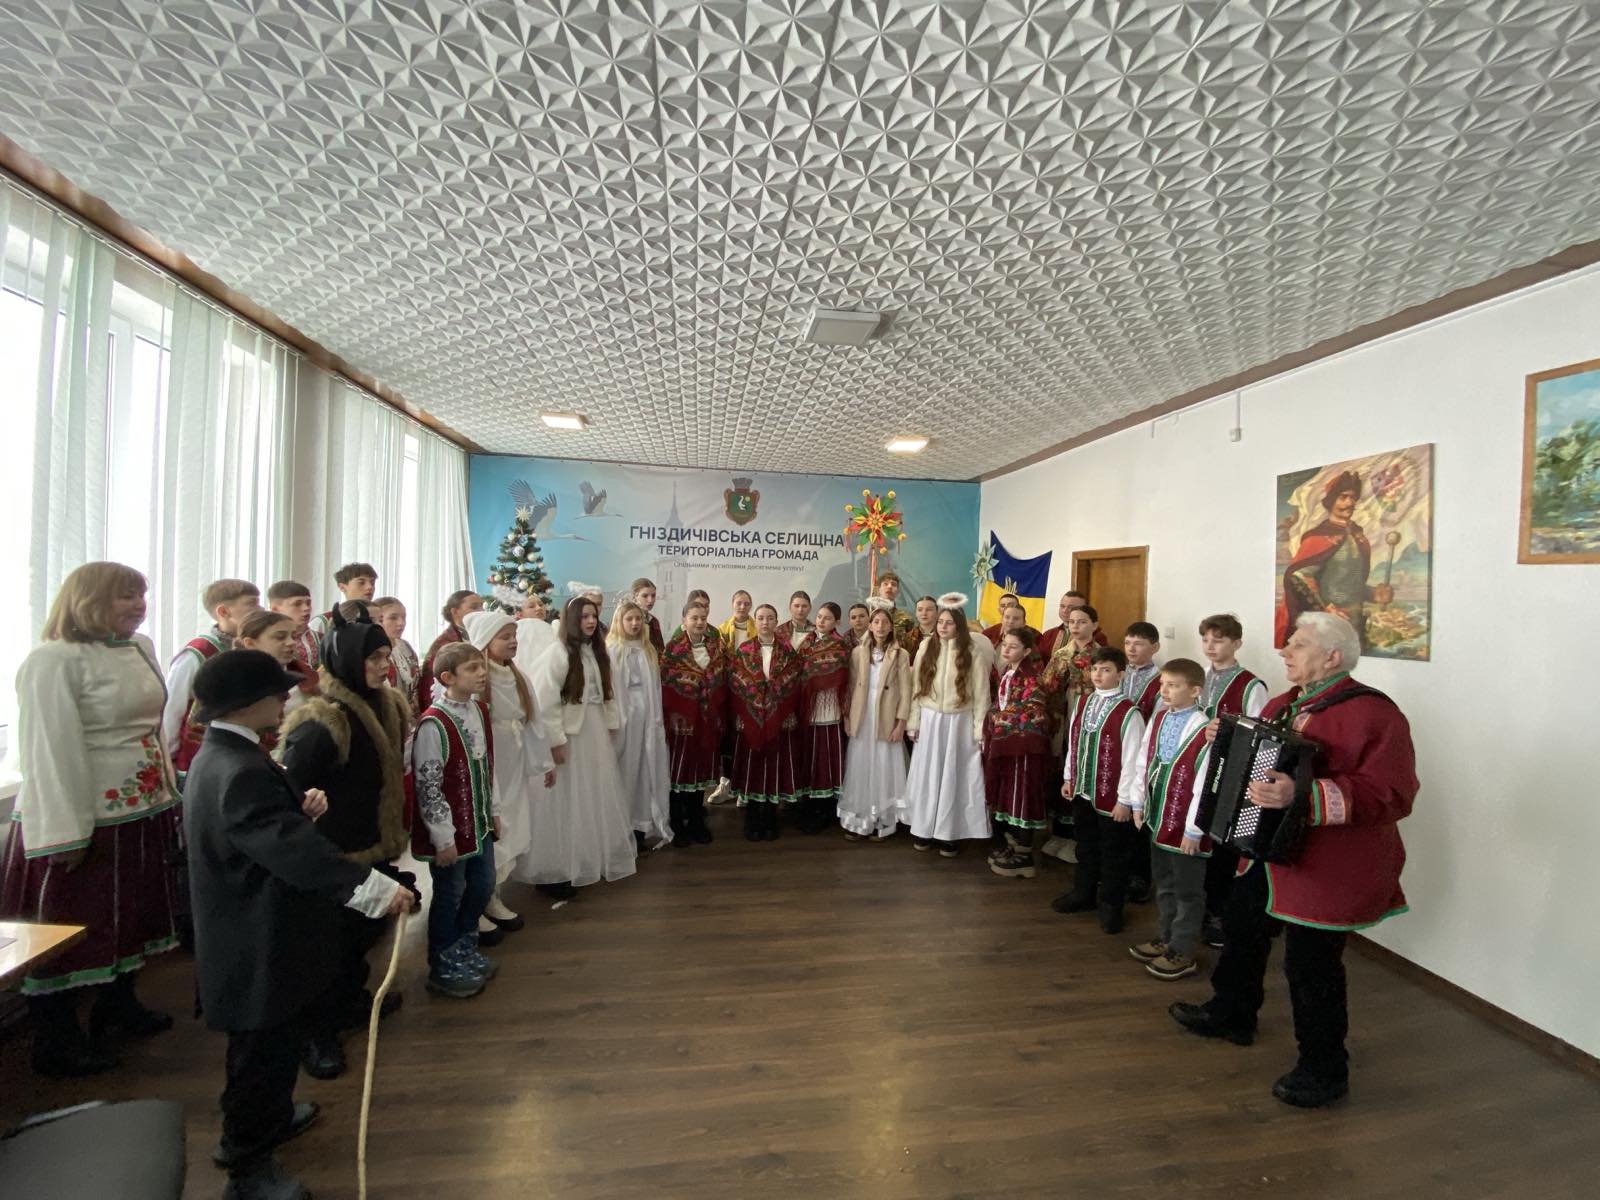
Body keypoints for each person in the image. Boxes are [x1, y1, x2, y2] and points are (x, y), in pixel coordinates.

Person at [182, 648, 407, 1200]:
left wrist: (294, 809)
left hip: (256, 928)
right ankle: (247, 1162)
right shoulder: (239, 769)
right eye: (276, 691)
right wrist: (376, 889)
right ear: (247, 703)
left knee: (276, 1045)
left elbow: (258, 830)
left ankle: (272, 1118)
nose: (286, 697)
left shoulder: (229, 755)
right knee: (260, 1053)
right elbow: (293, 853)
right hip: (255, 936)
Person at [1171, 613, 1417, 1109]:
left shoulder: (1374, 714)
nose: (1285, 652)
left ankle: (1324, 1069)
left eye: (1298, 645)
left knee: (1311, 965)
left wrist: (1303, 794)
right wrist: (1224, 737)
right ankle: (1232, 1013)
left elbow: (1393, 794)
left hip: (1326, 865)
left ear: (1332, 656)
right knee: (1241, 924)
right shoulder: (1284, 704)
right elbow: (1255, 761)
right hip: (1269, 854)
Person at [0, 563, 179, 1078]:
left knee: (128, 918)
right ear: (87, 600)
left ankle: (118, 1006)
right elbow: (49, 750)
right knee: (69, 927)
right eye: (125, 595)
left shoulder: (140, 647)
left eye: (141, 594)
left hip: (137, 811)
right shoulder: (53, 660)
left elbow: (150, 729)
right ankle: (56, 1039)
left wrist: (168, 791)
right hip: (84, 817)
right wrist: (66, 832)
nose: (139, 604)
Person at [278, 604, 411, 1080]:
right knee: (326, 947)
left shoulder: (387, 704)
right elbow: (290, 785)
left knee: (359, 936)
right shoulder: (324, 720)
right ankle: (316, 1032)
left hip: (374, 840)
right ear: (347, 660)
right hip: (337, 850)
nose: (383, 666)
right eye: (373, 658)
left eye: (385, 656)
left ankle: (351, 1000)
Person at [522, 596, 638, 891]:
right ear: (572, 620)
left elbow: (607, 692)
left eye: (593, 616)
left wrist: (610, 723)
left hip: (593, 731)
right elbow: (545, 700)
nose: (590, 621)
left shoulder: (597, 652)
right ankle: (556, 867)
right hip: (570, 735)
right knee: (564, 799)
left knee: (591, 795)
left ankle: (586, 858)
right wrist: (555, 741)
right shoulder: (558, 653)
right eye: (584, 616)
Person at [411, 641, 502, 998]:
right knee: (450, 892)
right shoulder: (434, 724)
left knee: (483, 883)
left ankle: (465, 945)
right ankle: (443, 961)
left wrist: (494, 811)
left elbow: (488, 765)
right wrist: (442, 837)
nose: (481, 673)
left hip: (478, 824)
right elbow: (429, 785)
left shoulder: (479, 710)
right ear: (448, 677)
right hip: (452, 831)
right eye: (472, 668)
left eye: (482, 666)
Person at [464, 610, 554, 939]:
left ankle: (493, 895)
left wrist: (544, 763)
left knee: (511, 824)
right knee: (489, 826)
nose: (514, 642)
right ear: (485, 642)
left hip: (512, 762)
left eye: (514, 636)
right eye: (505, 637)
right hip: (487, 762)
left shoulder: (517, 676)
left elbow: (533, 720)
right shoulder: (476, 680)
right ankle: (475, 902)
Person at [1125, 658, 1212, 981]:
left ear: (1195, 691)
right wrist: (1137, 803)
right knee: (1164, 883)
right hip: (1159, 818)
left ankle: (1183, 949)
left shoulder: (1204, 729)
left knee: (1188, 891)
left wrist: (1194, 830)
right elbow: (1144, 760)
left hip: (1185, 826)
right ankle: (1166, 936)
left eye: (1173, 686)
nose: (1165, 691)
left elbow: (1204, 782)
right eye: (1163, 684)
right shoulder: (1160, 718)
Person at [1052, 646, 1146, 933]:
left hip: (1112, 798)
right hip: (1083, 789)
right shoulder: (1083, 702)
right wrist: (1069, 777)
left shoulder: (1129, 713)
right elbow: (1074, 742)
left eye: (1106, 670)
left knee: (1114, 854)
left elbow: (1133, 760)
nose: (1098, 675)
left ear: (1120, 674)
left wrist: (1125, 800)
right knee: (1086, 846)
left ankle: (1111, 906)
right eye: (1095, 669)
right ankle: (1083, 893)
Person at [1197, 612, 1268, 946]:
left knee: (1223, 847)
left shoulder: (1251, 685)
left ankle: (1220, 914)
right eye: (1206, 640)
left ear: (1236, 643)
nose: (1211, 646)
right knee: (1199, 841)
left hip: (1229, 777)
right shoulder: (1199, 678)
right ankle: (1199, 907)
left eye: (1219, 640)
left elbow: (1259, 734)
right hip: (1198, 771)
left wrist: (1225, 733)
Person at [903, 593, 991, 857]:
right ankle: (923, 827)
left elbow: (982, 694)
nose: (943, 626)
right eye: (940, 622)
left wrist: (979, 731)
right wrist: (914, 721)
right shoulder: (926, 647)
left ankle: (949, 832)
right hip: (930, 720)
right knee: (927, 775)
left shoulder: (972, 652)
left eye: (949, 623)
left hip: (959, 722)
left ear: (959, 626)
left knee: (954, 776)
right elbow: (916, 688)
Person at [1276, 471, 1389, 649]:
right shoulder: (1317, 538)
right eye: (1343, 497)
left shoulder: (1358, 537)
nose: (1350, 503)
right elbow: (1299, 576)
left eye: (1353, 498)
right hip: (1327, 625)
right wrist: (1325, 608)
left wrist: (1373, 594)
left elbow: (1348, 583)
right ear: (1331, 501)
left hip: (1355, 622)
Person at [164, 578, 262, 781]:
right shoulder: (198, 653)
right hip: (202, 755)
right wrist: (169, 758)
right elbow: (173, 708)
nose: (260, 609)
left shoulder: (254, 647)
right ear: (224, 612)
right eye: (251, 603)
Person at [728, 602, 803, 841]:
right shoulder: (744, 649)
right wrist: (744, 713)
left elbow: (794, 682)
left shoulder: (788, 650)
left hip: (779, 717)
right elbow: (736, 682)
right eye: (761, 618)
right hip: (751, 718)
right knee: (753, 768)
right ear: (756, 621)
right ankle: (752, 820)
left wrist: (784, 709)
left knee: (774, 767)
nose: (765, 622)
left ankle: (770, 819)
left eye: (770, 618)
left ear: (776, 621)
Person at [838, 598, 911, 841]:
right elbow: (850, 688)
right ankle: (860, 820)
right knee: (861, 766)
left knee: (883, 765)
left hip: (886, 716)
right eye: (876, 621)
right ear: (870, 625)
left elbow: (906, 691)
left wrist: (901, 723)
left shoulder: (900, 654)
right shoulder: (858, 652)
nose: (880, 626)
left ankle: (883, 820)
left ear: (891, 627)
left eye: (884, 622)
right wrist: (847, 717)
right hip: (862, 715)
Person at [983, 628, 1052, 878]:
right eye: (1005, 645)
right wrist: (994, 715)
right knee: (1009, 793)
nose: (1006, 649)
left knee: (1022, 796)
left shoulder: (1031, 677)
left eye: (1013, 646)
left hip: (1024, 748)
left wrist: (999, 719)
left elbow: (1034, 712)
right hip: (1008, 745)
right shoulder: (1009, 672)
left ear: (1027, 650)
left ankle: (1024, 852)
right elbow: (1001, 704)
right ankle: (1013, 845)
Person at [660, 598, 726, 845]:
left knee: (700, 772)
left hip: (707, 720)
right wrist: (676, 711)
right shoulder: (673, 650)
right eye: (694, 618)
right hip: (682, 723)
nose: (699, 622)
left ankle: (697, 821)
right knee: (679, 773)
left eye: (703, 618)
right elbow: (666, 683)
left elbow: (722, 680)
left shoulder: (715, 647)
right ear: (684, 621)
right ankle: (677, 824)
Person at [608, 600, 673, 850]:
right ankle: (619, 829)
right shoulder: (612, 650)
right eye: (629, 619)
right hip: (624, 719)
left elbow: (655, 687)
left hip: (647, 716)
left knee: (645, 770)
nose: (634, 623)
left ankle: (640, 825)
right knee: (626, 770)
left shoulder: (648, 650)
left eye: (638, 619)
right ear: (620, 621)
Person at [796, 601, 849, 833]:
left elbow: (843, 676)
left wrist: (819, 679)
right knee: (811, 757)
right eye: (819, 617)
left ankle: (827, 808)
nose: (821, 621)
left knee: (827, 759)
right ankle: (809, 805)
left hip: (830, 710)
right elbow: (798, 671)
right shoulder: (807, 642)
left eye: (827, 618)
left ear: (837, 622)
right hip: (809, 709)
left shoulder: (840, 645)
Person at [236, 610, 318, 733]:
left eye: (294, 636)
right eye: (280, 637)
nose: (291, 642)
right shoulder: (236, 684)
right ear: (250, 643)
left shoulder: (307, 677)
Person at [418, 588, 484, 707]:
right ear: (455, 612)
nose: (481, 611)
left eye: (482, 606)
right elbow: (432, 685)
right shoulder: (444, 644)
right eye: (474, 607)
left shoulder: (481, 636)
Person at [371, 596, 421, 716]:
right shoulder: (372, 652)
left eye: (404, 617)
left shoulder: (405, 647)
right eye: (393, 618)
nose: (401, 623)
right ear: (378, 620)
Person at [307, 561, 378, 642]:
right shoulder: (323, 621)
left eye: (372, 583)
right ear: (342, 587)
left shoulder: (381, 616)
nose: (370, 587)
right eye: (361, 583)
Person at [1039, 589, 1108, 659]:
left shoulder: (1097, 636)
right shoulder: (1049, 635)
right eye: (1062, 606)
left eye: (1071, 607)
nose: (1065, 610)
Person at [267, 579, 318, 670]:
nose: (306, 608)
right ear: (275, 609)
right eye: (297, 604)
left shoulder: (321, 638)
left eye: (308, 603)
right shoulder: (267, 640)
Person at [1121, 621, 1163, 720]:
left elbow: (1158, 715)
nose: (1131, 649)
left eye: (1138, 644)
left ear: (1155, 647)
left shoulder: (1160, 679)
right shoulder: (1119, 672)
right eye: (1127, 643)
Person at [631, 577, 666, 655]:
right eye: (645, 596)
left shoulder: (654, 621)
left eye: (653, 596)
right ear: (634, 597)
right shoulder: (627, 621)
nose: (650, 600)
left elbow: (661, 649)